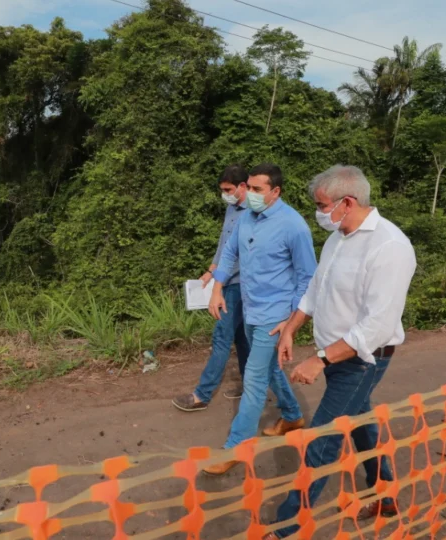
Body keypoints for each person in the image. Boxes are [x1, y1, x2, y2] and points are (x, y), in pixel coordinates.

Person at [263, 165, 417, 539]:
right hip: (334, 355)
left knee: (322, 440)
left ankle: (286, 528)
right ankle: (386, 495)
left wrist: (320, 359)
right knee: (361, 422)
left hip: (363, 360)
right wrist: (291, 327)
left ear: (347, 203)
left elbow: (376, 326)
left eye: (322, 205)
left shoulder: (390, 248)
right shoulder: (338, 237)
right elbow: (316, 290)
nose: (318, 214)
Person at [203, 163, 317, 475]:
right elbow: (228, 255)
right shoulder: (245, 219)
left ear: (275, 191)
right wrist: (217, 289)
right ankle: (292, 416)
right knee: (268, 369)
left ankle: (236, 448)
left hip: (275, 316)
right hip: (251, 308)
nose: (250, 194)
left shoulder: (294, 226)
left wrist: (292, 323)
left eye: (257, 190)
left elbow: (309, 278)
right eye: (249, 187)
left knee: (253, 380)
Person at [172, 165, 251, 411]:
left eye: (228, 189)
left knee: (221, 337)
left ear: (243, 186)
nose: (225, 194)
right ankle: (251, 388)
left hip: (238, 284)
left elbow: (242, 255)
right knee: (240, 339)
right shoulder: (231, 208)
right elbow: (224, 244)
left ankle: (202, 395)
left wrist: (220, 280)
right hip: (225, 280)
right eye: (222, 190)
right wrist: (211, 270)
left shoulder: (253, 213)